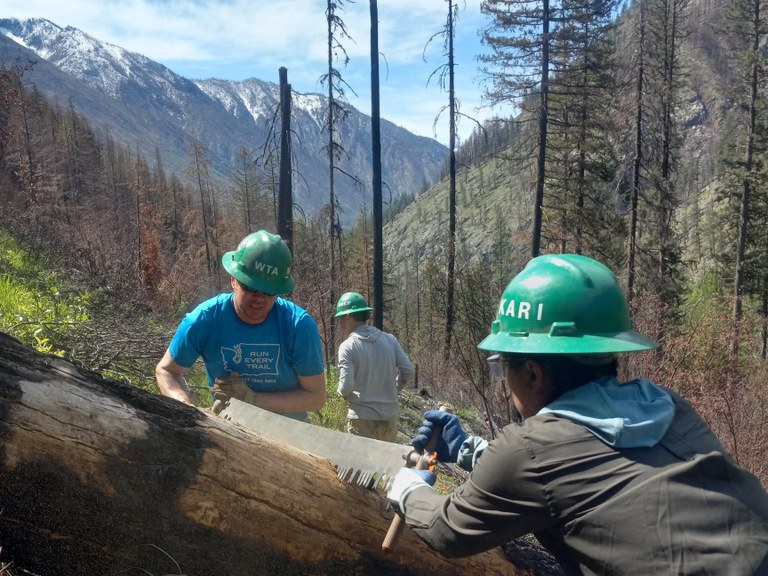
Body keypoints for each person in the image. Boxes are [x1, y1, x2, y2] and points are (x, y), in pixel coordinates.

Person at [387, 254, 768, 574]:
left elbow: (447, 529)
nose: (504, 382)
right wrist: (471, 451)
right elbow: (580, 474)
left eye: (505, 369)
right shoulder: (665, 405)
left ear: (533, 374)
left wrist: (409, 489)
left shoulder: (531, 448)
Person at [155, 230, 325, 420]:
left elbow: (316, 397)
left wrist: (253, 400)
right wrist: (186, 411)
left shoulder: (298, 326)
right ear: (233, 280)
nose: (259, 298)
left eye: (269, 291)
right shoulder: (204, 319)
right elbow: (166, 370)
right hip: (230, 428)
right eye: (251, 287)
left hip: (291, 432)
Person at [334, 291, 415, 441]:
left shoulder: (348, 346)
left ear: (348, 317)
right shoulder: (390, 340)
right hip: (389, 417)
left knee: (359, 463)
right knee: (384, 464)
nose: (340, 324)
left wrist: (339, 393)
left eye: (340, 319)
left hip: (361, 417)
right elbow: (408, 370)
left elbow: (346, 386)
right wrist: (394, 389)